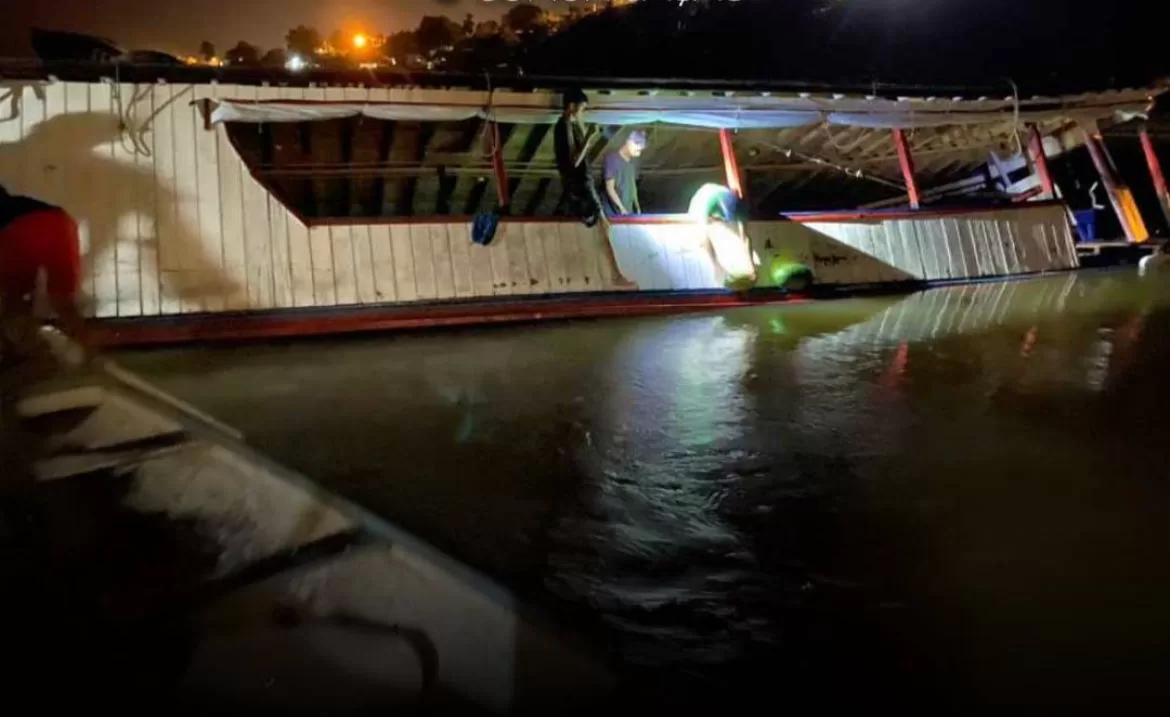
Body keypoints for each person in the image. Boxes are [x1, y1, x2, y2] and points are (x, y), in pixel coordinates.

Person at [0, 184, 91, 375]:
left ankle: (19, 354)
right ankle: (91, 355)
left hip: (18, 229)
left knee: (14, 298)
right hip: (61, 223)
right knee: (62, 299)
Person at [552, 89, 636, 288]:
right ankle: (616, 276)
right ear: (572, 107)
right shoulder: (564, 126)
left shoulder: (569, 125)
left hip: (582, 183)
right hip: (580, 185)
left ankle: (614, 274)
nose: (582, 113)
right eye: (581, 109)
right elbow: (574, 160)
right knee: (602, 227)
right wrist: (589, 137)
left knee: (603, 226)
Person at [602, 130, 647, 217]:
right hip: (614, 213)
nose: (638, 154)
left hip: (629, 212)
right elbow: (610, 188)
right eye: (637, 150)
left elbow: (632, 185)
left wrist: (637, 206)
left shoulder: (633, 162)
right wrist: (622, 209)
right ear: (629, 142)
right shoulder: (611, 158)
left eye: (640, 151)